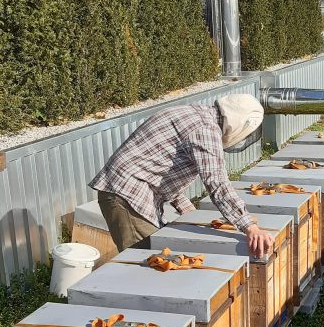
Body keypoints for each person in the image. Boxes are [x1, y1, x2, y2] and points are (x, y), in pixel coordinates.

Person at [89, 94, 275, 258]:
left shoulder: (196, 115)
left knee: (158, 258)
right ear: (242, 123)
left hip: (128, 192)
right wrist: (250, 227)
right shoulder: (205, 130)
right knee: (150, 261)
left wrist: (190, 213)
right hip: (127, 196)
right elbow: (217, 183)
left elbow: (163, 171)